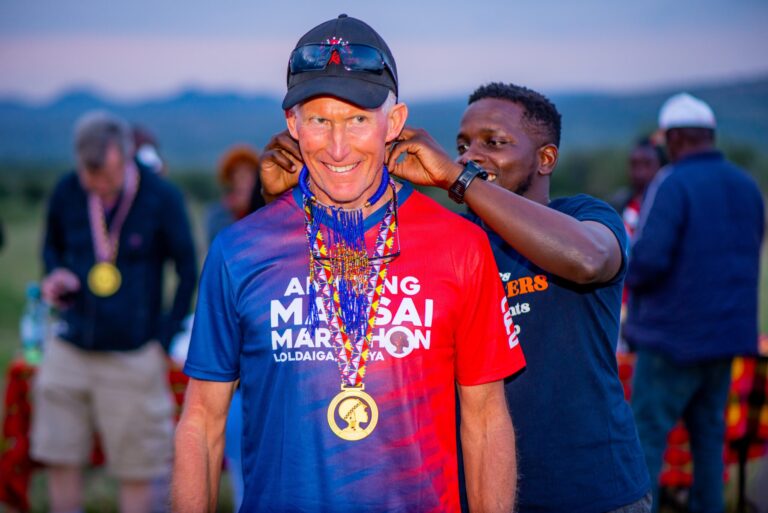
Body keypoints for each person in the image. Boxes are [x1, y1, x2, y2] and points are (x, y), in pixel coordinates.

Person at [172, 15, 525, 513]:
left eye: (358, 119)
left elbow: (487, 419)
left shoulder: (460, 246)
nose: (338, 148)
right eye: (320, 121)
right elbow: (202, 423)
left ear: (394, 122)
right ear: (293, 125)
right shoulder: (238, 251)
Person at [261, 82, 652, 512]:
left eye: (494, 142)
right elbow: (332, 292)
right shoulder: (454, 242)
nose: (470, 154)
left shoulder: (583, 217)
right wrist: (287, 194)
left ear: (545, 159)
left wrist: (457, 178)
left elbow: (586, 259)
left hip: (591, 492)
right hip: (480, 492)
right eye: (462, 144)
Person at [33, 110, 197, 513]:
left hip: (133, 355)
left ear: (126, 157)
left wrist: (164, 336)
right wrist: (56, 275)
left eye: (106, 177)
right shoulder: (68, 190)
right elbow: (49, 246)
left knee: (140, 469)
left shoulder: (161, 197)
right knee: (59, 457)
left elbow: (188, 269)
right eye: (90, 177)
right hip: (69, 348)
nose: (98, 187)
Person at [624, 92, 765, 513]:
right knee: (709, 440)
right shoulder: (746, 184)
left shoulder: (672, 181)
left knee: (646, 438)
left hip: (672, 340)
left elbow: (647, 260)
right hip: (727, 340)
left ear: (678, 139)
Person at [206, 144, 263, 244]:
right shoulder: (218, 213)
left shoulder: (264, 209)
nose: (243, 176)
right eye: (237, 172)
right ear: (230, 178)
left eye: (249, 171)